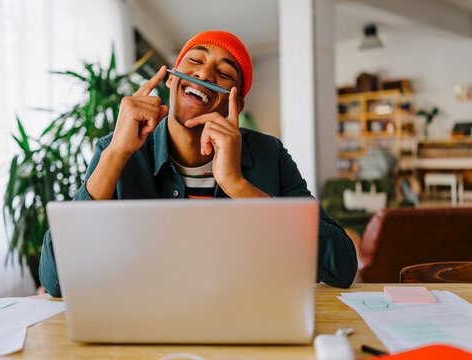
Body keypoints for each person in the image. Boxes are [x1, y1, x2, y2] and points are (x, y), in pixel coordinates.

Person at [39, 31, 357, 297]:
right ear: (171, 80)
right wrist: (117, 154)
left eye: (224, 72)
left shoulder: (268, 153)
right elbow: (55, 280)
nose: (205, 75)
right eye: (195, 61)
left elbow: (341, 267)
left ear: (237, 102)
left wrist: (237, 185)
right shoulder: (114, 150)